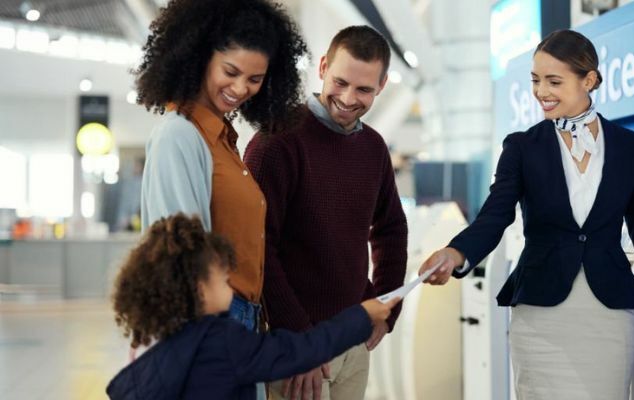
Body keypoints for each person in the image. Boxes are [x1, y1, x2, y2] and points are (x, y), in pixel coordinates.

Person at [418, 29, 634, 400]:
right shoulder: (522, 147)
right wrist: (456, 253)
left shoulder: (628, 146)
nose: (541, 92)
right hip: (541, 315)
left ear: (589, 80)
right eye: (536, 81)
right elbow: (495, 216)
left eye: (554, 81)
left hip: (608, 315)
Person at [243, 26, 408, 400]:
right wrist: (302, 340)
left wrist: (385, 308)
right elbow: (257, 249)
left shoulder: (374, 147)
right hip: (294, 343)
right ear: (322, 67)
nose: (349, 98)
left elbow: (391, 229)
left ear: (381, 86)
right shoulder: (275, 141)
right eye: (341, 82)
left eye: (364, 89)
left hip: (352, 340)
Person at [135, 0, 307, 334]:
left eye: (255, 79)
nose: (241, 88)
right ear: (200, 58)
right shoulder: (178, 135)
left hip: (244, 319)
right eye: (231, 72)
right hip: (212, 322)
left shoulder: (222, 141)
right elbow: (180, 258)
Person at [106, 213, 400, 400]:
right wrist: (362, 315)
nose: (230, 284)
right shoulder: (221, 341)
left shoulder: (163, 343)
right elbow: (302, 350)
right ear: (199, 289)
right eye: (223, 277)